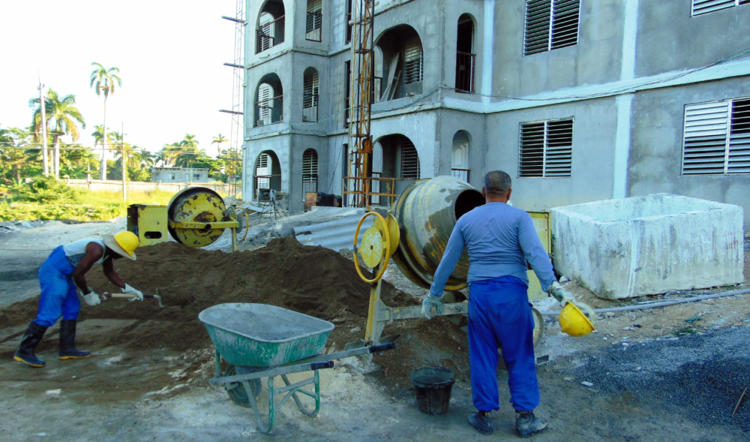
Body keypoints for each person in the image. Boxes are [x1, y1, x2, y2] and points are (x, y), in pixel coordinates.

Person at [423, 170, 568, 438]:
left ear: (482, 192)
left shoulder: (466, 220)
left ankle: (484, 415)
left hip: (480, 295)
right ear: (509, 193)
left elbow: (447, 261)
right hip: (512, 295)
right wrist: (553, 286)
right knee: (520, 353)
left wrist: (434, 295)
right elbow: (535, 254)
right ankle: (525, 418)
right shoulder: (519, 218)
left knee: (482, 353)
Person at [13, 231, 144, 368]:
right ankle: (24, 351)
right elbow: (78, 274)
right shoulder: (96, 250)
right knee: (50, 312)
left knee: (72, 309)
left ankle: (67, 349)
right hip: (54, 271)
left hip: (66, 273)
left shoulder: (106, 252)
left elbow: (109, 272)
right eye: (122, 254)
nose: (121, 257)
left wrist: (127, 288)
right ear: (116, 249)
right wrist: (87, 293)